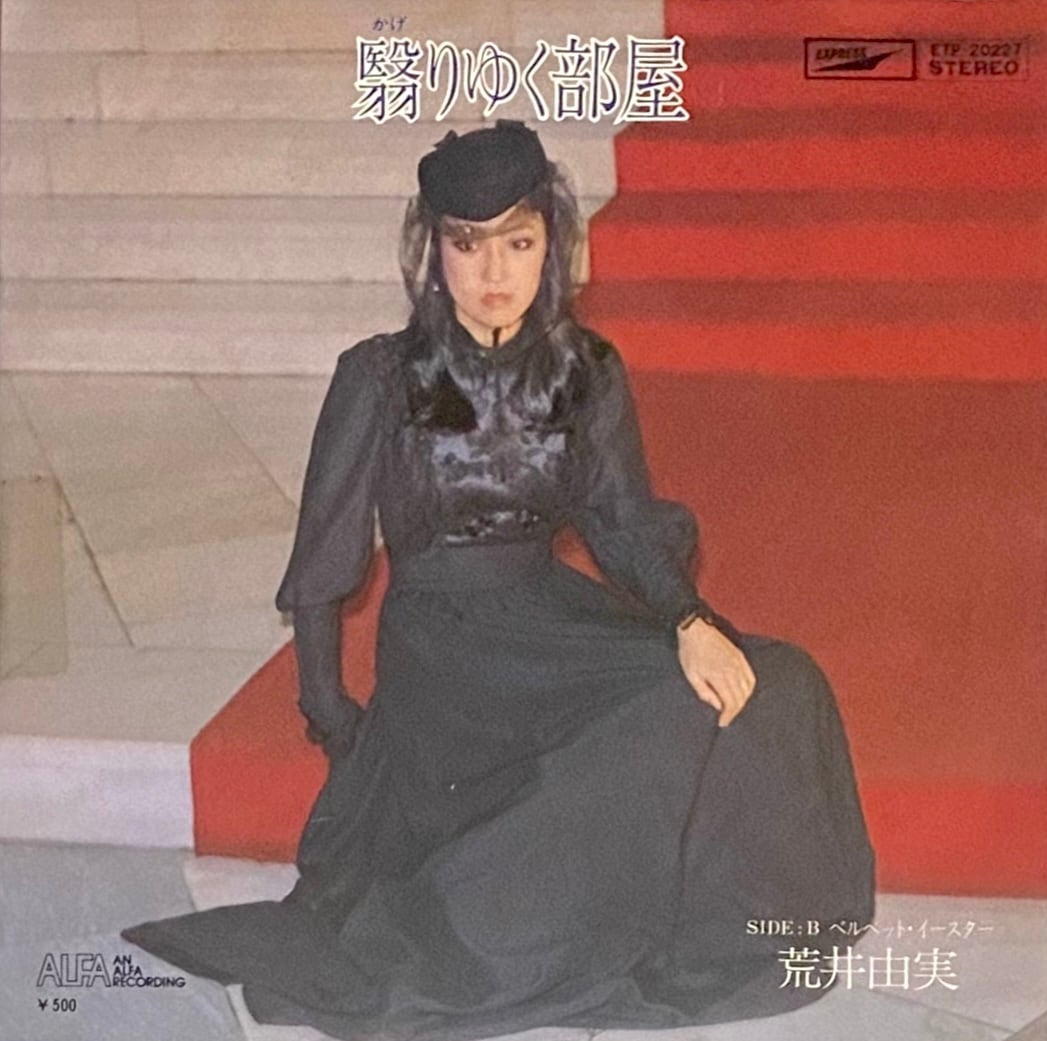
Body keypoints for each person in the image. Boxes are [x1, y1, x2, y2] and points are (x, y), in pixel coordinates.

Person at [123, 121, 874, 1039]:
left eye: (517, 242)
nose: (492, 271)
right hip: (443, 646)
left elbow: (618, 523)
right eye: (466, 243)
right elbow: (322, 564)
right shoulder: (379, 376)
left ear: (550, 244)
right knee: (659, 716)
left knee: (775, 679)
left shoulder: (586, 371)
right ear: (432, 251)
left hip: (544, 611)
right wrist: (334, 716)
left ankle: (729, 923)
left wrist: (690, 619)